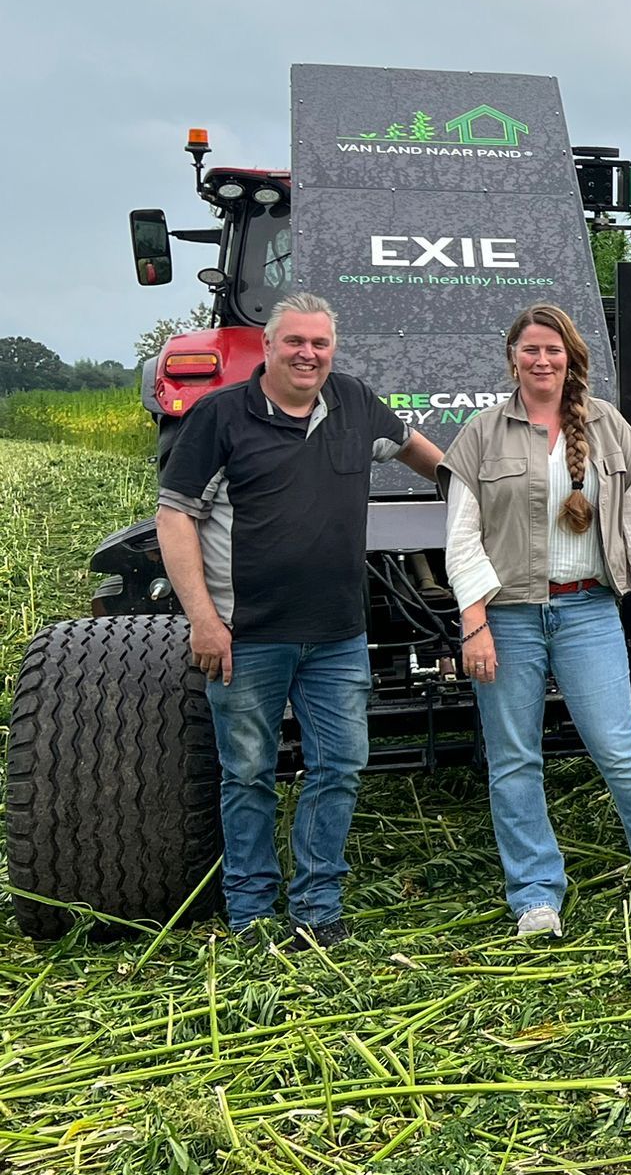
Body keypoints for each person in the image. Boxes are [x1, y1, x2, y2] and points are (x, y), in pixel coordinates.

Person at [156, 293, 443, 946]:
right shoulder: (219, 417)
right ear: (268, 347)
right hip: (246, 634)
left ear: (332, 348)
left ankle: (316, 907)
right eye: (295, 343)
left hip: (339, 634)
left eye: (319, 343)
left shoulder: (353, 401)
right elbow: (176, 517)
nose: (308, 354)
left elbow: (416, 449)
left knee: (339, 767)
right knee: (249, 774)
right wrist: (203, 619)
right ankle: (253, 912)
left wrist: (474, 486)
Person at [443, 303, 631, 939]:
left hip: (589, 609)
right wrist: (474, 622)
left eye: (553, 350)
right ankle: (535, 894)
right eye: (530, 350)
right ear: (512, 359)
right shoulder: (481, 433)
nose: (542, 360)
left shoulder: (606, 426)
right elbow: (460, 538)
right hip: (507, 615)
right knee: (512, 758)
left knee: (618, 744)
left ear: (570, 359)